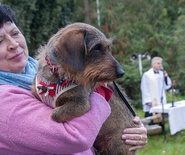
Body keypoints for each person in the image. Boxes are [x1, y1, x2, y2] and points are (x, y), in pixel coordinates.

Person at [0, 3, 147, 154]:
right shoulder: (4, 102)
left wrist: (132, 128)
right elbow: (77, 137)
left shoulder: (40, 73)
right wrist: (99, 92)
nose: (13, 44)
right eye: (0, 41)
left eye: (15, 33)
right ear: (72, 53)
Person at [141, 57, 171, 122]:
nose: (160, 65)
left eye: (161, 63)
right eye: (158, 63)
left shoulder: (161, 73)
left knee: (161, 113)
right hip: (152, 99)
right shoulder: (147, 75)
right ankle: (150, 128)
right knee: (151, 114)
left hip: (160, 98)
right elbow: (145, 88)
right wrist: (148, 100)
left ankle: (161, 127)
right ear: (153, 64)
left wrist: (166, 77)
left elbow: (167, 86)